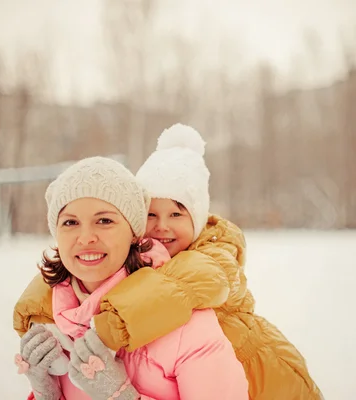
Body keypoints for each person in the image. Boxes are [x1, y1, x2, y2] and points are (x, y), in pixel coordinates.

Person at [92, 124, 323, 399]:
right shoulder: (136, 257)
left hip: (263, 376)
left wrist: (104, 330)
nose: (162, 226)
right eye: (151, 215)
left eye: (177, 215)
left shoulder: (214, 255)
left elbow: (176, 286)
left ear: (198, 219)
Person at [12, 156, 249, 399]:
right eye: (70, 222)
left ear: (135, 233)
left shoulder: (188, 325)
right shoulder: (52, 323)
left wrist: (122, 395)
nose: (85, 237)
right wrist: (46, 393)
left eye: (104, 220)